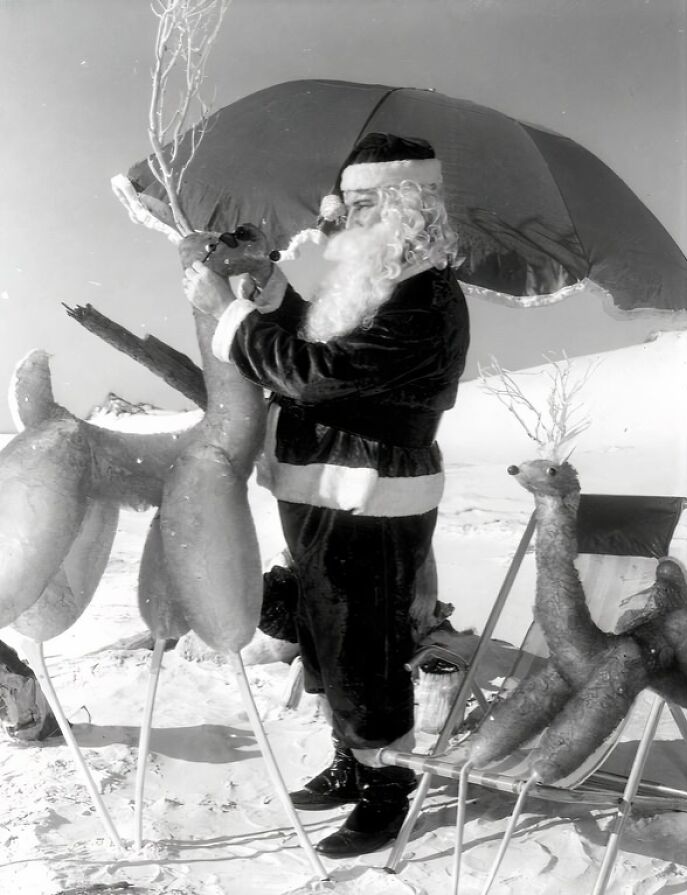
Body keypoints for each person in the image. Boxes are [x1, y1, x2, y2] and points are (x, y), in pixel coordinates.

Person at [182, 133, 470, 858]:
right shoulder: (389, 283)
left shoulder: (427, 296)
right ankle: (353, 758)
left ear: (403, 208)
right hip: (330, 490)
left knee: (361, 645)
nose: (335, 217)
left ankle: (386, 789)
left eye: (356, 204)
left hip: (371, 498)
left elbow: (318, 374)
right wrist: (266, 285)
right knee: (325, 631)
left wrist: (227, 314)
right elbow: (318, 337)